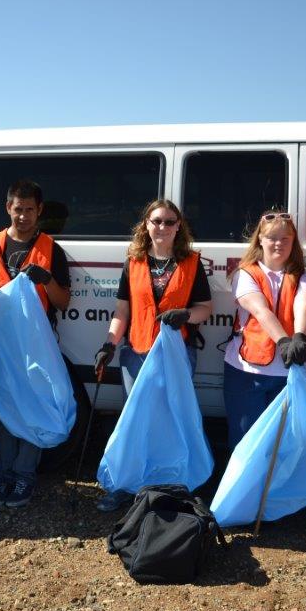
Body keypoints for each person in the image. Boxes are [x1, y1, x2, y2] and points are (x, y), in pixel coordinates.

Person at [93, 199, 213, 512]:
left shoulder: (191, 262)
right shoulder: (133, 262)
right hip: (137, 352)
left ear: (178, 227)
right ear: (146, 224)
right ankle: (125, 485)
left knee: (173, 421)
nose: (162, 227)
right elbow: (122, 310)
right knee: (136, 422)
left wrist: (185, 315)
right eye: (156, 221)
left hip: (176, 354)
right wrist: (108, 343)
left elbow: (205, 308)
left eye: (169, 222)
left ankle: (172, 486)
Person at [0, 180, 71, 508]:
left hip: (35, 347)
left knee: (32, 409)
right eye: (18, 209)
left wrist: (48, 281)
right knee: (1, 412)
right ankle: (3, 475)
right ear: (7, 209)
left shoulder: (52, 248)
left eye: (30, 210)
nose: (23, 216)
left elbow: (63, 301)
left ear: (39, 210)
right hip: (0, 346)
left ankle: (24, 476)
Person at [222, 210, 306, 450]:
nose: (278, 244)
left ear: (293, 242)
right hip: (246, 372)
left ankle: (273, 489)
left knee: (282, 446)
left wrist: (299, 338)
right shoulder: (245, 274)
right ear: (260, 240)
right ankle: (243, 488)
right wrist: (285, 342)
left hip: (287, 374)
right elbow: (260, 310)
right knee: (245, 443)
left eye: (285, 238)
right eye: (272, 238)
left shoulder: (302, 276)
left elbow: (303, 309)